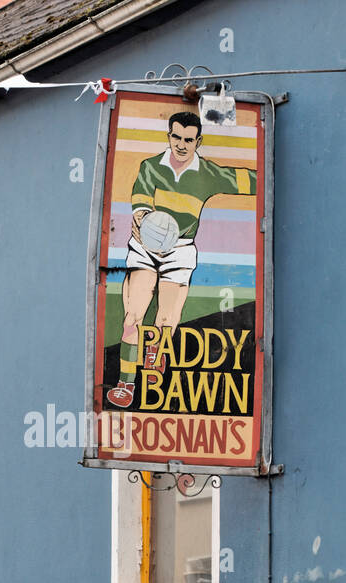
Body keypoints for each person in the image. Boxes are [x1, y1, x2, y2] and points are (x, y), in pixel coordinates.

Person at [106, 110, 256, 409]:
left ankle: (154, 368)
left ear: (198, 141)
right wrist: (142, 219)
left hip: (181, 250)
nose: (182, 144)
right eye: (177, 137)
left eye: (189, 139)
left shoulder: (209, 174)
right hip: (145, 247)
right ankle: (125, 384)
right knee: (133, 317)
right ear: (169, 136)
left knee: (165, 322)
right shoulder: (151, 166)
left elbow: (254, 179)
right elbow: (140, 200)